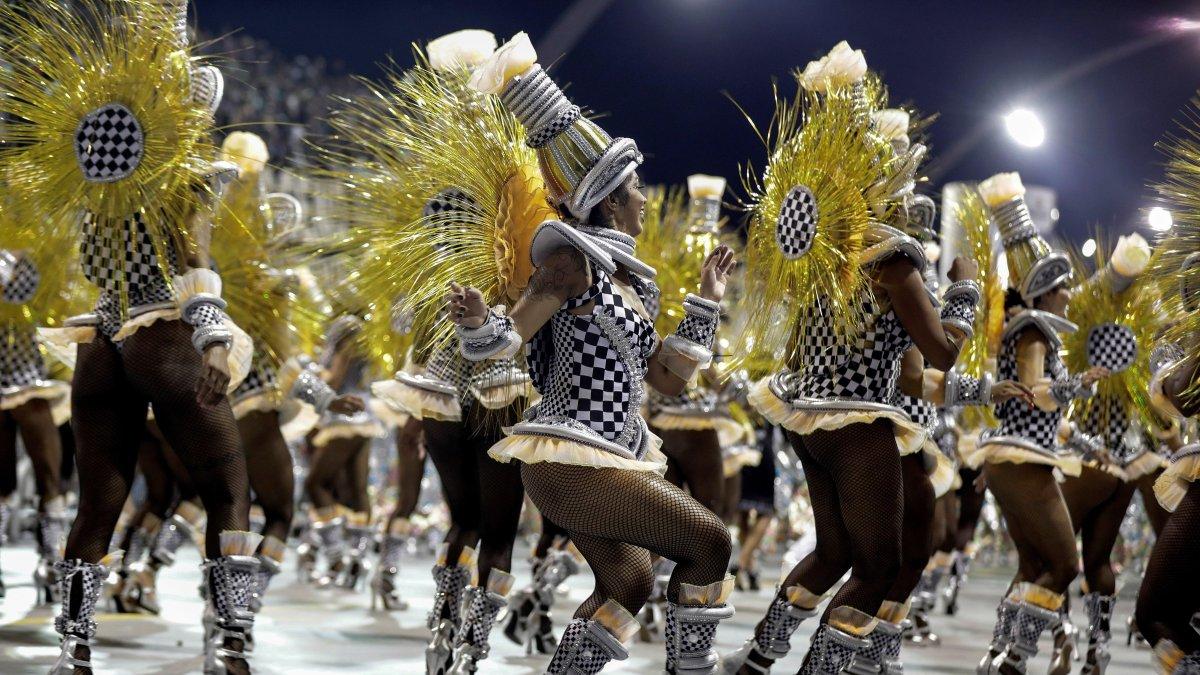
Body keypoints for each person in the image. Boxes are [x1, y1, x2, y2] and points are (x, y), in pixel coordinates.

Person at [449, 32, 737, 674]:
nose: (644, 198)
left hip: (613, 453)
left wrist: (707, 302)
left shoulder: (632, 280)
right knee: (710, 542)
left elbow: (665, 379)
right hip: (570, 457)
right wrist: (477, 321)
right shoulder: (570, 261)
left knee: (629, 583)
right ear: (610, 199)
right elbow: (508, 339)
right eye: (635, 188)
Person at [726, 42, 981, 674]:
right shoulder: (893, 260)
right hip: (858, 424)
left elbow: (803, 349)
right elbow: (941, 354)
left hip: (806, 418)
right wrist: (966, 293)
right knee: (879, 568)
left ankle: (757, 660)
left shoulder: (823, 249)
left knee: (834, 554)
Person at [973, 172, 1110, 675]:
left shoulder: (1030, 330)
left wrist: (1087, 443)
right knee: (1066, 565)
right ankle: (1014, 660)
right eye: (1063, 286)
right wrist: (1077, 385)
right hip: (1022, 465)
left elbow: (1043, 411)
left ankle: (1000, 654)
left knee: (1034, 566)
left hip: (1012, 461)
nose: (1070, 293)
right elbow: (1035, 394)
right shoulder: (1033, 331)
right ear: (1047, 293)